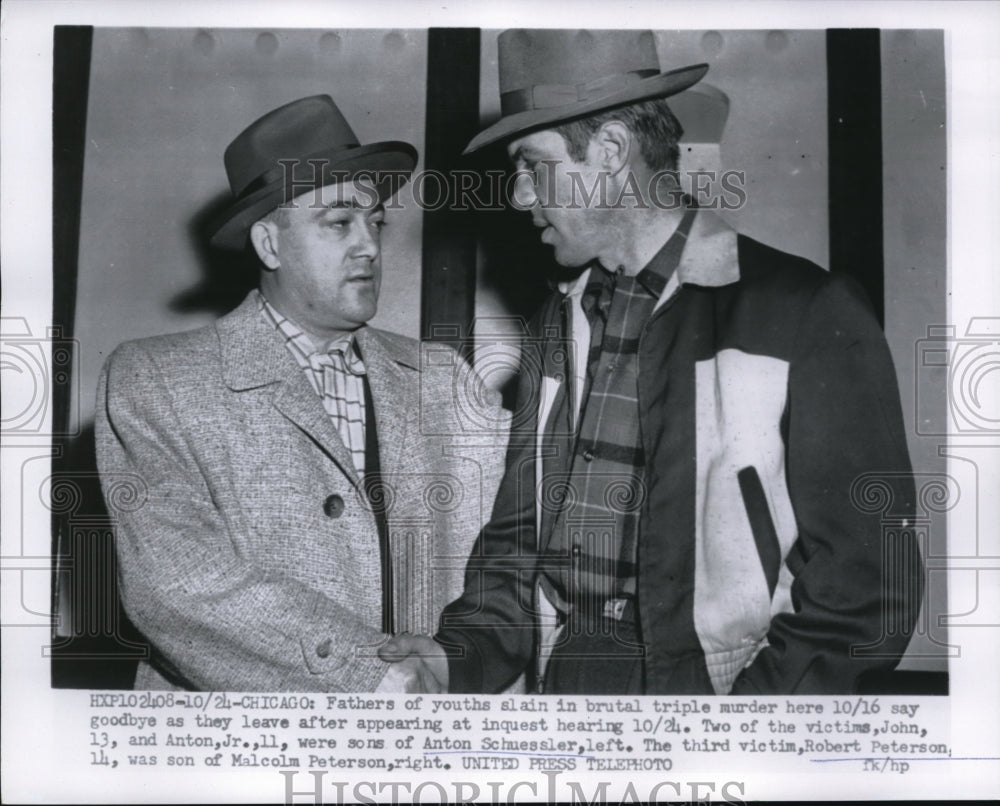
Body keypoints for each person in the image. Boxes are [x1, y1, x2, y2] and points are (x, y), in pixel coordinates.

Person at [380, 29, 923, 695]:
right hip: (572, 677)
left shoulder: (805, 311)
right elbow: (519, 542)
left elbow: (869, 591)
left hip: (724, 692)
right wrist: (454, 657)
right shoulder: (558, 321)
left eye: (533, 166)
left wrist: (747, 731)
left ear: (610, 152)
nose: (520, 196)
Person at [95, 94, 507, 691]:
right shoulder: (155, 379)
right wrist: (371, 675)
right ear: (268, 244)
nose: (369, 243)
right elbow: (176, 584)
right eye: (339, 222)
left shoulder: (441, 377)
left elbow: (526, 530)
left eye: (376, 222)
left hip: (426, 746)